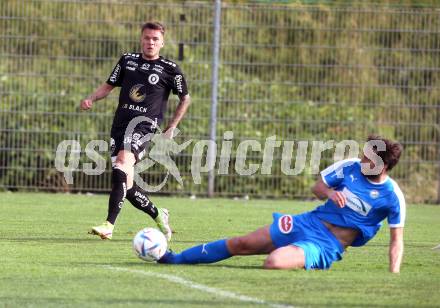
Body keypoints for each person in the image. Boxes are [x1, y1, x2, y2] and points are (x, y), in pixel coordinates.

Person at [159, 136, 405, 273]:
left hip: (326, 245)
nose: (361, 159)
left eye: (368, 159)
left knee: (273, 262)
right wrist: (330, 193)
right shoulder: (349, 167)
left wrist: (393, 275)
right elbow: (317, 187)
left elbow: (397, 241)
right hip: (308, 222)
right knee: (241, 243)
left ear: (382, 167)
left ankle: (298, 255)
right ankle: (175, 259)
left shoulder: (392, 196)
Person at [80, 22, 190, 241]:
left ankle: (109, 225)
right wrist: (91, 98)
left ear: (162, 42)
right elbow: (109, 85)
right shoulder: (127, 60)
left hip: (144, 125)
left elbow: (185, 97)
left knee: (122, 163)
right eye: (147, 38)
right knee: (126, 184)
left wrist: (172, 126)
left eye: (155, 39)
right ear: (141, 39)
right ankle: (159, 214)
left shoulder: (171, 69)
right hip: (120, 125)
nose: (150, 42)